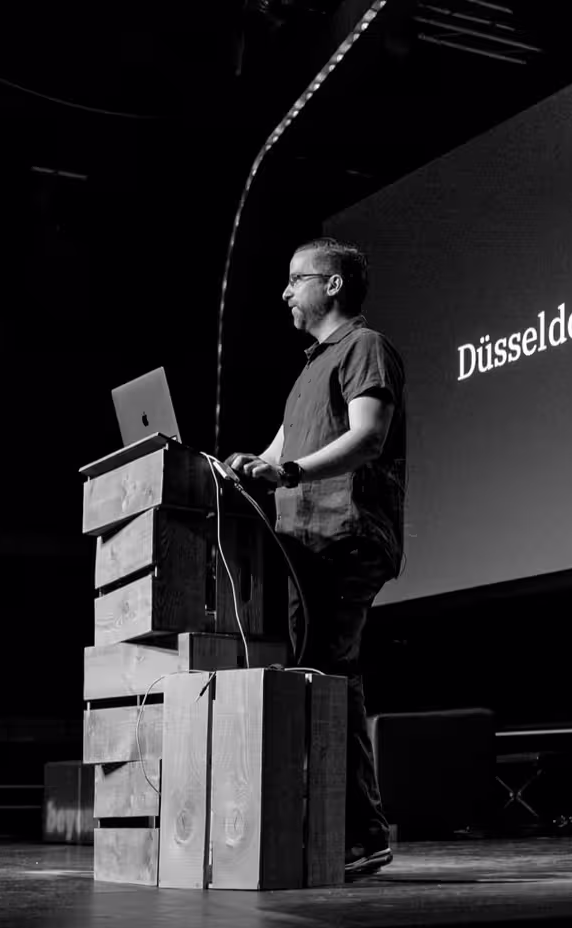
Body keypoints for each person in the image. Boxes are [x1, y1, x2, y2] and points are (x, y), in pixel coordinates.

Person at [226, 237, 406, 878]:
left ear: (332, 285)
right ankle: (344, 827)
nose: (284, 292)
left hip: (346, 536)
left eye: (295, 279)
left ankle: (362, 831)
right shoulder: (309, 371)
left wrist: (288, 470)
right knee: (322, 678)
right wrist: (241, 469)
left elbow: (368, 436)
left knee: (331, 677)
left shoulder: (365, 348)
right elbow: (275, 455)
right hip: (303, 545)